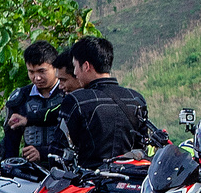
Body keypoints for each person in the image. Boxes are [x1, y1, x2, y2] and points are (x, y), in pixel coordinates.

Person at [57, 37, 150, 169]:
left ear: (86, 66)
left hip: (90, 182)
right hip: (127, 179)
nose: (75, 73)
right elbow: (141, 147)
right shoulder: (136, 99)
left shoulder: (76, 100)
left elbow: (58, 150)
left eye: (75, 66)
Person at [0, 41, 70, 164]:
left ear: (55, 67)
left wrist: (43, 153)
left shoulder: (68, 93)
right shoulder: (20, 98)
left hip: (65, 169)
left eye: (42, 71)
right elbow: (10, 141)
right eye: (31, 72)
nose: (36, 77)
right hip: (31, 171)